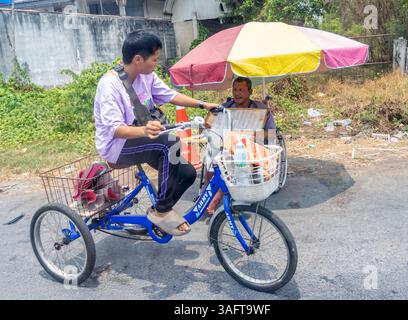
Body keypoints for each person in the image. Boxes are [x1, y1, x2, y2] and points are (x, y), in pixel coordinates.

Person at [94, 30, 218, 236]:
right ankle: (161, 212)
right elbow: (114, 129)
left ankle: (158, 209)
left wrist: (204, 105)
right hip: (116, 146)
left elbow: (170, 95)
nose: (156, 64)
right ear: (138, 59)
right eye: (154, 59)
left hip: (142, 139)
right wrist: (143, 129)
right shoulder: (109, 85)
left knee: (187, 174)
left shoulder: (146, 76)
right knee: (169, 143)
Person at [204, 77, 277, 215]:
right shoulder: (225, 108)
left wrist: (254, 135)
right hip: (226, 147)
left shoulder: (261, 109)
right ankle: (206, 193)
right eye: (235, 90)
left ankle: (216, 197)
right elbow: (208, 125)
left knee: (233, 159)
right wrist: (211, 116)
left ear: (250, 91)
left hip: (250, 149)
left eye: (241, 90)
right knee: (211, 154)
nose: (237, 93)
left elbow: (271, 134)